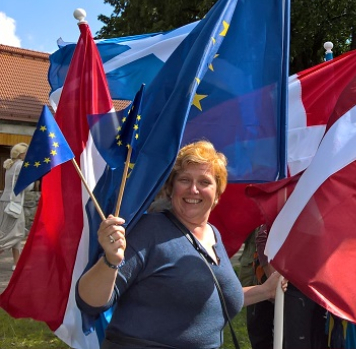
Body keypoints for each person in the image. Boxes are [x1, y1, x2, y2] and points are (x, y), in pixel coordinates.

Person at [76, 140, 284, 348]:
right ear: (171, 188)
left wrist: (265, 290)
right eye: (185, 179)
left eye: (204, 182)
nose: (193, 189)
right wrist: (111, 261)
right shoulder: (149, 231)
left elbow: (212, 301)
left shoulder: (213, 234)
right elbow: (90, 301)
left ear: (217, 193)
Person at [0, 143, 31, 271]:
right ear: (22, 154)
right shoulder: (20, 166)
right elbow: (28, 187)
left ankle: (17, 263)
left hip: (6, 202)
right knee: (12, 234)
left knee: (14, 233)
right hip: (15, 204)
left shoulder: (10, 165)